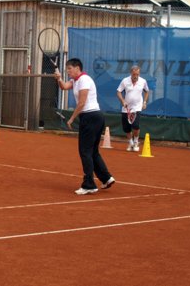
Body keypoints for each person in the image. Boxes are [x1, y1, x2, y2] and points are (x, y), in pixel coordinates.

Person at [55, 58, 115, 195]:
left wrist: (71, 118)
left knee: (85, 151)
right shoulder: (76, 81)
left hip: (91, 117)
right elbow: (64, 87)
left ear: (77, 68)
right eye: (67, 69)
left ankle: (89, 185)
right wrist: (58, 78)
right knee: (92, 151)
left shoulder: (84, 80)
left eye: (69, 69)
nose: (68, 71)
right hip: (93, 117)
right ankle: (106, 178)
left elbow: (82, 103)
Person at [116, 65, 149, 152]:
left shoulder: (143, 81)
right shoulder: (125, 81)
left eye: (137, 74)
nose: (136, 76)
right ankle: (130, 143)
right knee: (126, 128)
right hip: (126, 108)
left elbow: (147, 91)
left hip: (137, 107)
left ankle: (136, 142)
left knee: (135, 126)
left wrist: (144, 102)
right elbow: (118, 92)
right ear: (131, 73)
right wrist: (123, 101)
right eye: (134, 74)